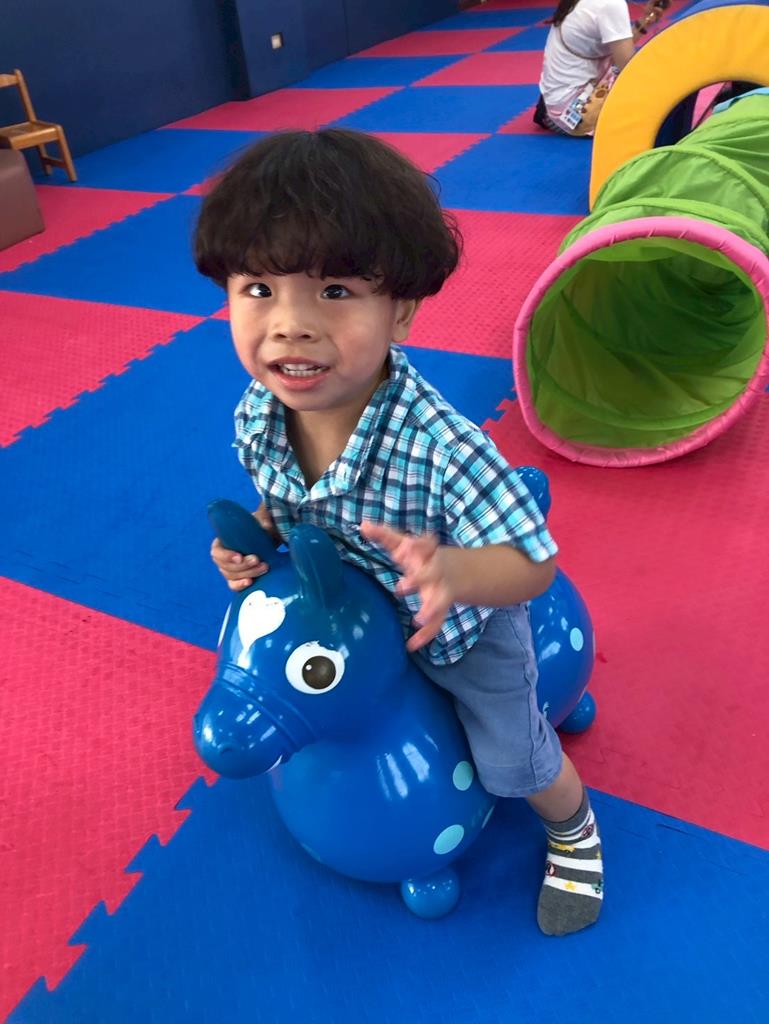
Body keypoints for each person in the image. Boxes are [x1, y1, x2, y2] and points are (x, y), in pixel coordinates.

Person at [194, 128, 603, 936]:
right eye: (259, 288)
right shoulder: (258, 413)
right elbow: (282, 501)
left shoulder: (442, 446)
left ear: (402, 312)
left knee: (512, 757)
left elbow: (532, 563)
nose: (290, 326)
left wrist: (453, 573)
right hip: (351, 620)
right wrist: (256, 537)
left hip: (454, 630)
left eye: (334, 291)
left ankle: (574, 833)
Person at [535, 0, 659, 136]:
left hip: (556, 104)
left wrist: (646, 20)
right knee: (660, 94)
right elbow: (628, 68)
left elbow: (615, 50)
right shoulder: (611, 4)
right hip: (579, 117)